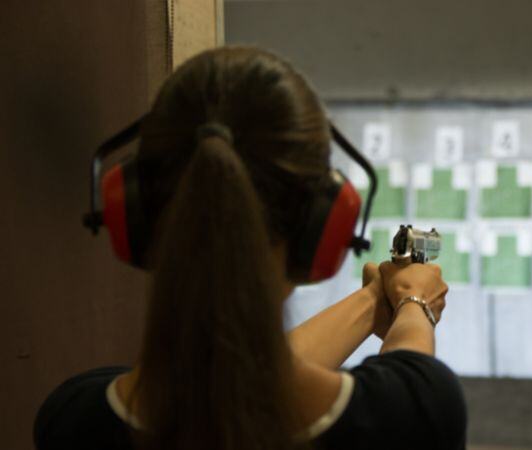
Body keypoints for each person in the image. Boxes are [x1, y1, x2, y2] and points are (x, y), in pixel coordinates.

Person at [34, 47, 466, 450]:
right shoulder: (413, 414)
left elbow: (231, 383)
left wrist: (373, 299)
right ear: (324, 231)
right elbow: (407, 384)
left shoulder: (73, 420)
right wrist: (413, 302)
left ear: (134, 217)